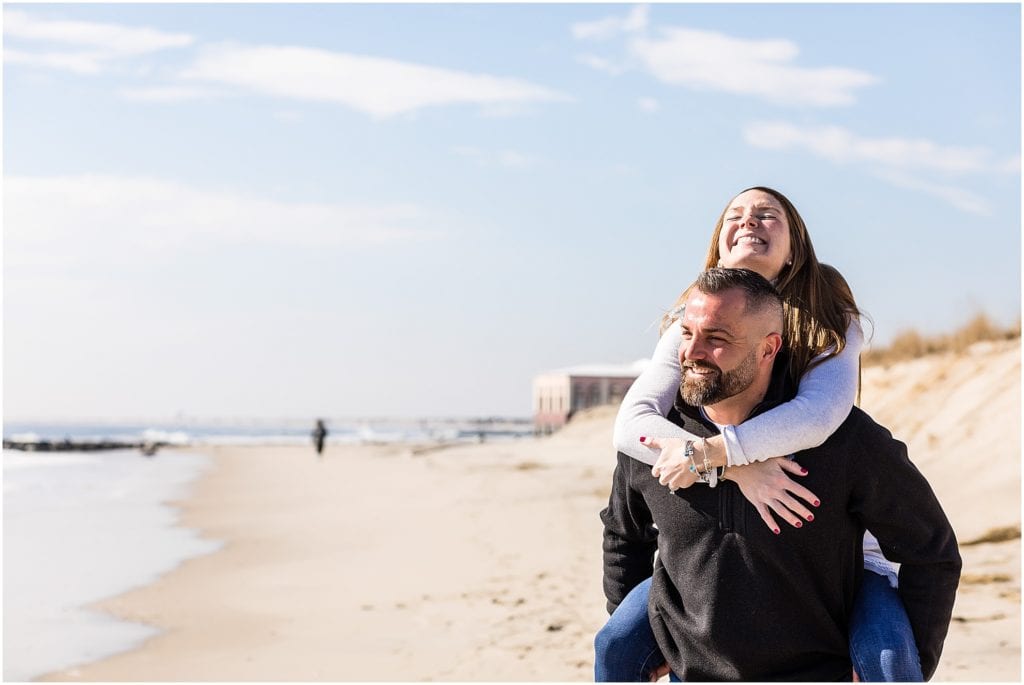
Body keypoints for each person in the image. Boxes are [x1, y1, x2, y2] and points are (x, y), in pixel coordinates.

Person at [599, 186, 920, 682]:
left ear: (796, 247)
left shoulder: (826, 314)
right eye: (735, 215)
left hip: (837, 546)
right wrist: (733, 467)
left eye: (768, 215)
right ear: (719, 243)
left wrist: (719, 454)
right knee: (616, 643)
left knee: (889, 663)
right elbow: (633, 421)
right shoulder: (697, 314)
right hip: (713, 530)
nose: (749, 221)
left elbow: (819, 414)